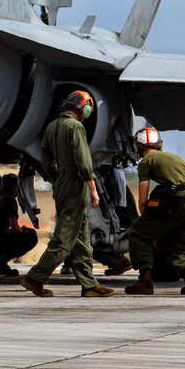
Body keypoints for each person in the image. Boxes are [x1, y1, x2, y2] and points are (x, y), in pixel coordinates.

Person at [20, 91, 114, 298]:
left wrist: (57, 177)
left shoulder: (52, 126)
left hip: (61, 185)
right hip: (75, 186)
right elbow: (83, 159)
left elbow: (44, 159)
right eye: (88, 105)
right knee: (64, 239)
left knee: (80, 238)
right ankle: (35, 277)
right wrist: (92, 188)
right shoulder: (75, 126)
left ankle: (89, 285)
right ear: (82, 107)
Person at [124, 127, 185, 296]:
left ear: (138, 147)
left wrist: (145, 221)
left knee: (137, 232)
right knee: (171, 245)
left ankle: (144, 281)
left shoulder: (147, 161)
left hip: (180, 202)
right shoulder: (174, 157)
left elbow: (142, 196)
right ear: (159, 144)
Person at [0, 174, 38, 277]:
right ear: (13, 188)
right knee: (31, 237)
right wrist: (24, 233)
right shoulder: (10, 200)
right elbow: (14, 227)